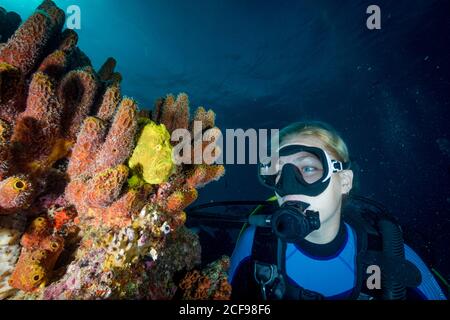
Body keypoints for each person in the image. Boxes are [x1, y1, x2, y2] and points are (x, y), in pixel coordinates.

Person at [228, 121, 447, 300]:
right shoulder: (256, 244)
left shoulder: (392, 255)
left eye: (309, 168)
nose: (287, 186)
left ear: (344, 182)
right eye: (278, 171)